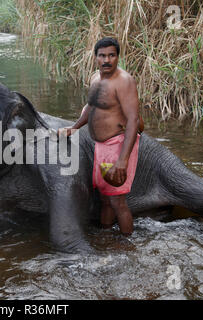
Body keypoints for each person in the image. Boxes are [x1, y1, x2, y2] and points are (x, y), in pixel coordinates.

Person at [58, 37, 142, 236]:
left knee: (117, 201)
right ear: (95, 57)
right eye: (102, 55)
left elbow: (133, 121)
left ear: (117, 57)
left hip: (118, 144)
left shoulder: (124, 81)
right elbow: (91, 108)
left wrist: (122, 160)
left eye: (111, 55)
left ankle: (127, 247)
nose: (107, 60)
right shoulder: (96, 78)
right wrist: (74, 128)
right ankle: (106, 236)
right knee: (105, 198)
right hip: (101, 147)